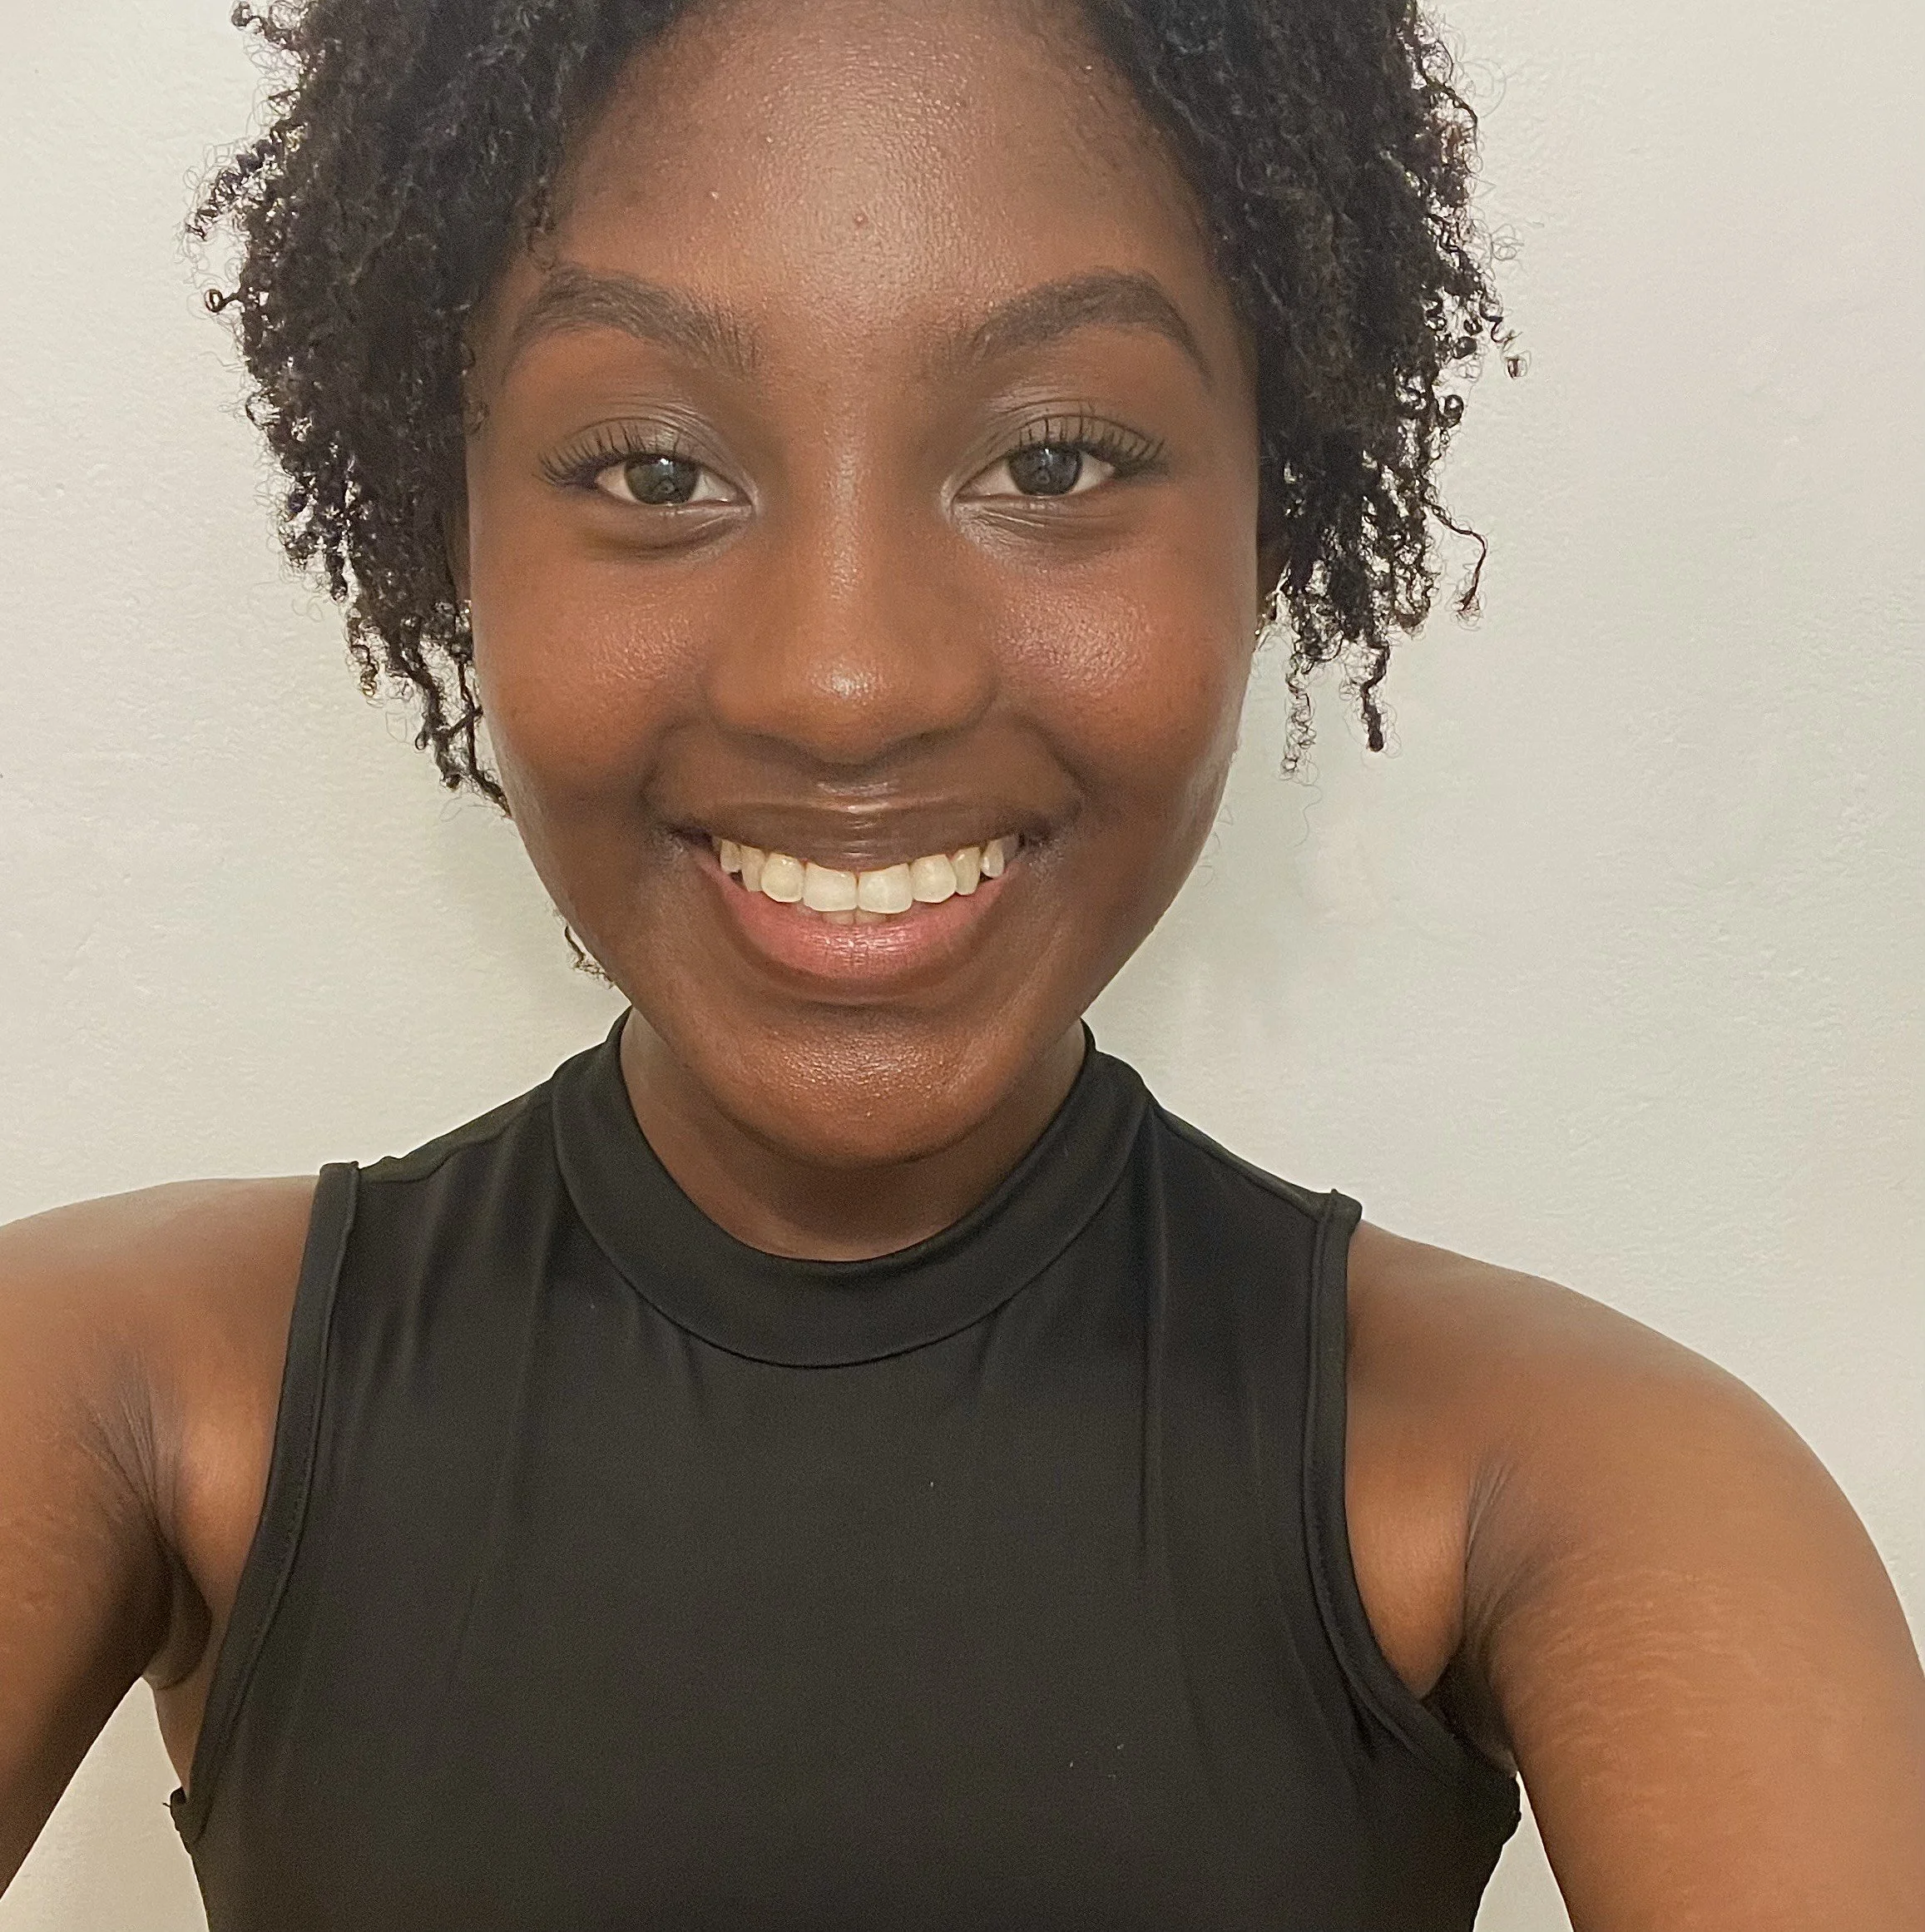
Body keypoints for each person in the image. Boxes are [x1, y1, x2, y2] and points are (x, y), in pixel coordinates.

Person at [2, 0, 1921, 1925]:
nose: (848, 679)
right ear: (456, 543)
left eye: (1059, 459)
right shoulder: (121, 1381)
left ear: (1273, 515)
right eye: (656, 473)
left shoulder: (1575, 1479)